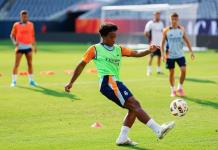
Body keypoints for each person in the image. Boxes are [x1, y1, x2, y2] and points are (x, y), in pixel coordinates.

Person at [65, 23, 175, 145]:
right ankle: (158, 129)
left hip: (115, 82)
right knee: (134, 105)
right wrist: (71, 82)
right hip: (108, 83)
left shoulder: (118, 48)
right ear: (104, 37)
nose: (114, 39)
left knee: (133, 107)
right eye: (111, 37)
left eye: (115, 37)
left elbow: (135, 53)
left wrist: (149, 50)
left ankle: (122, 138)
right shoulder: (94, 49)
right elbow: (81, 65)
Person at [161, 12, 195, 97]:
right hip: (170, 55)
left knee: (183, 70)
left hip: (180, 54)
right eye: (173, 19)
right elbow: (162, 43)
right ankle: (173, 90)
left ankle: (180, 88)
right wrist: (162, 54)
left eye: (176, 19)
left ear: (178, 20)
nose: (174, 21)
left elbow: (187, 40)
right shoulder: (166, 30)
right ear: (170, 20)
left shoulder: (181, 29)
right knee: (171, 72)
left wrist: (191, 52)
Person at [10, 10, 37, 87]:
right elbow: (12, 35)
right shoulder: (16, 25)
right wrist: (14, 42)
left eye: (25, 16)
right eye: (23, 16)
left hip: (28, 47)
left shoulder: (31, 24)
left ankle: (31, 80)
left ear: (27, 16)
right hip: (20, 47)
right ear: (20, 17)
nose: (24, 17)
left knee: (30, 64)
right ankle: (13, 81)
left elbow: (32, 36)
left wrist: (35, 46)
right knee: (16, 64)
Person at [144, 11, 164, 76]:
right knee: (151, 57)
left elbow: (162, 32)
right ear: (154, 16)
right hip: (152, 44)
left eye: (158, 15)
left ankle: (158, 70)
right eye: (156, 15)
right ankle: (149, 71)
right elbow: (146, 32)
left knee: (159, 57)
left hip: (159, 44)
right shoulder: (150, 23)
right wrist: (150, 40)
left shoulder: (161, 23)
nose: (157, 16)